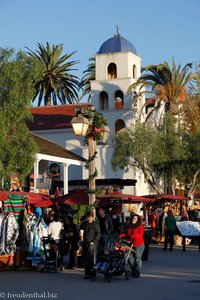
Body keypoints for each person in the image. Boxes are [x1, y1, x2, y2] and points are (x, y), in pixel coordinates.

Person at [80, 211, 100, 279]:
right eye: (88, 218)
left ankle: (93, 274)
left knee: (92, 259)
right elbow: (81, 232)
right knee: (86, 259)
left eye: (90, 218)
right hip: (85, 243)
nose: (89, 219)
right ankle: (87, 273)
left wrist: (93, 242)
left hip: (92, 244)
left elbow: (98, 234)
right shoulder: (83, 224)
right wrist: (81, 236)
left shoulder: (95, 225)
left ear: (92, 217)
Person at [125, 213, 145, 278]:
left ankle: (137, 272)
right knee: (129, 258)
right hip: (131, 244)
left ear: (138, 220)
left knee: (137, 258)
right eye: (133, 218)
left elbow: (140, 234)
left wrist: (133, 236)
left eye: (136, 219)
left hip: (139, 244)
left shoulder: (139, 226)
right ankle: (134, 270)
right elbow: (127, 234)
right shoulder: (129, 226)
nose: (134, 219)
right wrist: (120, 235)